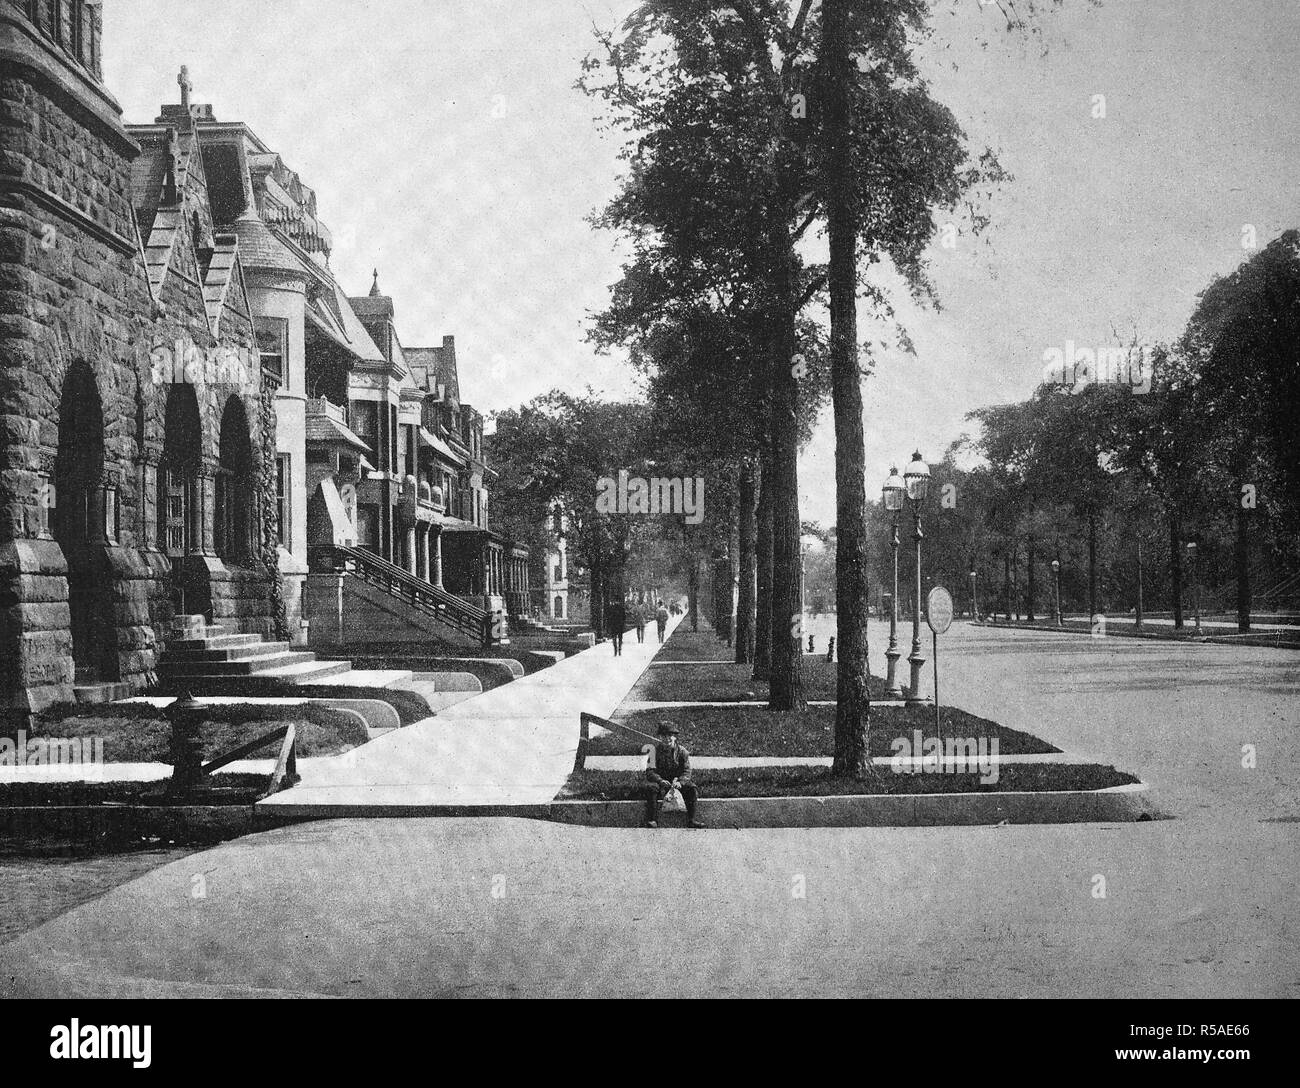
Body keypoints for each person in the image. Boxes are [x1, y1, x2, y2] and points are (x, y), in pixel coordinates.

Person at [642, 722, 703, 828]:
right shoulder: (654, 752)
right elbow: (650, 771)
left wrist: (681, 781)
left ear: (674, 737)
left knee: (692, 788)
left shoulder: (682, 752)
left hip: (677, 782)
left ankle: (691, 819)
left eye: (670, 735)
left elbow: (687, 770)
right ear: (660, 737)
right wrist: (660, 780)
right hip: (661, 782)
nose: (667, 739)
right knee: (651, 788)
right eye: (663, 736)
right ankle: (653, 820)